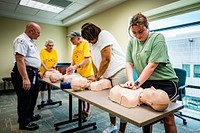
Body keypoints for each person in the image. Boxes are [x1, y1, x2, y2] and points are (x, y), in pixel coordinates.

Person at [125, 13, 178, 133]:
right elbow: (129, 63)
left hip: (165, 82)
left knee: (168, 118)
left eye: (141, 31)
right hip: (146, 82)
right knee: (146, 118)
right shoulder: (132, 42)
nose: (138, 35)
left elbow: (152, 65)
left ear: (147, 27)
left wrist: (137, 83)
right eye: (134, 33)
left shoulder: (158, 38)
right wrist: (131, 81)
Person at [81, 23, 128, 133]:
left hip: (119, 71)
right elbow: (94, 61)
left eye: (89, 38)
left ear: (95, 33)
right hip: (107, 75)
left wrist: (98, 77)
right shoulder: (91, 44)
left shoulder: (104, 35)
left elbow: (106, 58)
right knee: (110, 101)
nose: (88, 41)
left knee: (121, 102)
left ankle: (122, 130)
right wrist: (95, 75)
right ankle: (113, 125)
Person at [11, 22, 41, 130]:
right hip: (24, 73)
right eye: (38, 32)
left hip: (33, 73)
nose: (39, 34)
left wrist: (37, 70)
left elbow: (32, 59)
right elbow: (20, 59)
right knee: (25, 99)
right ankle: (24, 123)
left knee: (33, 96)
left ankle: (30, 116)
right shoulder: (21, 40)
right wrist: (25, 78)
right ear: (30, 31)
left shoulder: (30, 41)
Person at [66, 31, 94, 120]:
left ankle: (88, 111)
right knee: (80, 94)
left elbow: (87, 60)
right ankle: (83, 110)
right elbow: (73, 61)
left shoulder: (85, 44)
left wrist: (76, 66)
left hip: (87, 73)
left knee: (87, 94)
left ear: (78, 38)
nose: (71, 40)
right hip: (79, 74)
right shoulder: (74, 48)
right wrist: (70, 67)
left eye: (72, 38)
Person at [39, 39, 58, 105]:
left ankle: (49, 99)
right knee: (42, 86)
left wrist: (52, 68)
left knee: (50, 85)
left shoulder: (54, 51)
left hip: (51, 71)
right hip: (43, 71)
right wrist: (47, 69)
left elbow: (56, 61)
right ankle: (42, 100)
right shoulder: (42, 51)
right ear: (46, 46)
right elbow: (41, 62)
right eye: (49, 45)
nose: (51, 47)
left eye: (52, 45)